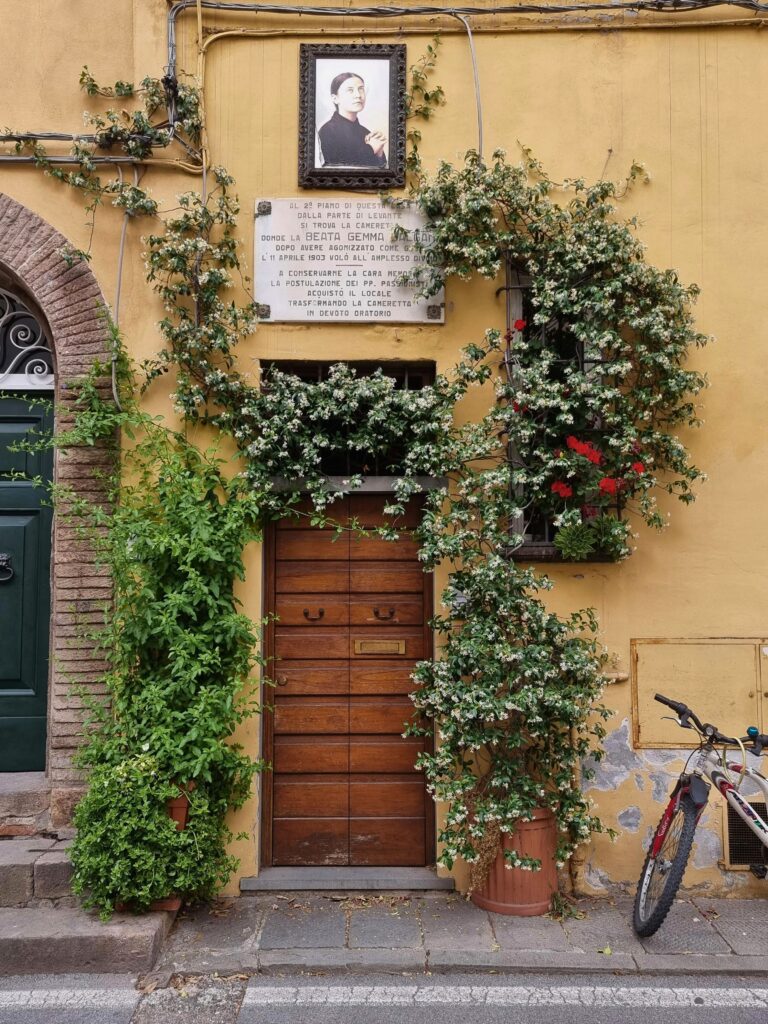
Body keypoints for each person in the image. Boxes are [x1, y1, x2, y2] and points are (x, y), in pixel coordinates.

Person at [317, 71, 387, 169]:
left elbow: (381, 171)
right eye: (350, 90)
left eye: (361, 89)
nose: (358, 95)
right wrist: (371, 149)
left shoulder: (366, 133)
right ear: (335, 98)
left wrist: (379, 153)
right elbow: (334, 168)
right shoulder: (327, 131)